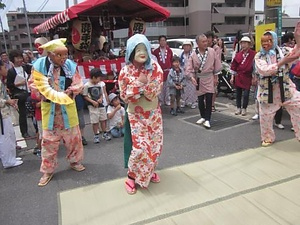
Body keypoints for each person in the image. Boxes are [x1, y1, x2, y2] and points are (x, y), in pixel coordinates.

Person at [30, 38, 85, 186]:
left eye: (65, 54)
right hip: (50, 111)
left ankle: (74, 161)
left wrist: (71, 91)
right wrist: (43, 93)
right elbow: (33, 85)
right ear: (51, 54)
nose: (64, 58)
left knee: (74, 139)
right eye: (60, 55)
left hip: (67, 108)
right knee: (48, 142)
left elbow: (79, 83)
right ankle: (48, 170)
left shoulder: (70, 66)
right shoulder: (39, 66)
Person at [118, 34, 163, 194]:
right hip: (136, 115)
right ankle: (131, 176)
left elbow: (157, 89)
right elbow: (124, 95)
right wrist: (141, 84)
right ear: (131, 51)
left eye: (145, 48)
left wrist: (140, 89)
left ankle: (148, 172)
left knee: (156, 145)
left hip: (153, 112)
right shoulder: (125, 71)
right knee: (140, 147)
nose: (142, 52)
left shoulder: (155, 67)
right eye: (138, 49)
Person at [254, 28, 300, 147]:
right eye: (263, 41)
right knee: (265, 117)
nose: (266, 43)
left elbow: (297, 52)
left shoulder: (284, 51)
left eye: (269, 40)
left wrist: (297, 37)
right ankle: (267, 137)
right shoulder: (259, 56)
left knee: (298, 108)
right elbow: (264, 70)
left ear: (274, 40)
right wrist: (282, 62)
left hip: (286, 88)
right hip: (267, 91)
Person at [186, 34, 222, 129]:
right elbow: (189, 68)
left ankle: (208, 119)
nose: (206, 43)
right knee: (201, 100)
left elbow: (217, 65)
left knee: (209, 99)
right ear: (198, 43)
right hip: (199, 79)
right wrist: (191, 77)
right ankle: (203, 116)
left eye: (206, 41)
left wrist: (216, 77)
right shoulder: (193, 55)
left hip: (209, 77)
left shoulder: (212, 51)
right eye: (203, 41)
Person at [0, 60, 23, 169]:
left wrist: (10, 101)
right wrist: (7, 101)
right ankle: (8, 161)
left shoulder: (1, 81)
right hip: (2, 114)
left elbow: (4, 95)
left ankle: (11, 157)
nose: (6, 69)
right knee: (4, 138)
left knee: (9, 135)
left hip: (5, 112)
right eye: (4, 67)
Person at [83, 68, 111, 143]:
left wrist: (101, 99)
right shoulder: (87, 85)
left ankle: (105, 133)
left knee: (103, 119)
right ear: (94, 77)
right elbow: (85, 96)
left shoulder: (99, 84)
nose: (100, 80)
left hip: (100, 104)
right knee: (94, 121)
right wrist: (92, 101)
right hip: (92, 106)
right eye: (99, 78)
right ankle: (96, 135)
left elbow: (101, 93)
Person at [6, 50, 30, 138]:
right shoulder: (11, 71)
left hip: (29, 91)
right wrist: (18, 84)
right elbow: (9, 85)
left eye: (20, 57)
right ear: (13, 59)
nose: (19, 60)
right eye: (17, 58)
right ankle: (24, 132)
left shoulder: (26, 67)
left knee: (32, 112)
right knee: (23, 113)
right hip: (19, 94)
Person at [230, 36, 256, 116]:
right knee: (238, 93)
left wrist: (254, 77)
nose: (243, 45)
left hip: (247, 76)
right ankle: (238, 107)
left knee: (246, 94)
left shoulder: (253, 54)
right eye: (242, 43)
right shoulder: (238, 55)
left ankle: (244, 108)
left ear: (249, 44)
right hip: (239, 76)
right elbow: (233, 66)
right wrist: (232, 77)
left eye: (245, 43)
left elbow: (255, 67)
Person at [153, 35, 173, 106]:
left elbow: (171, 60)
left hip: (168, 70)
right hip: (160, 71)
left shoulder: (169, 50)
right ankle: (160, 100)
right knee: (160, 86)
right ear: (159, 42)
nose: (162, 42)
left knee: (168, 86)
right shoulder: (155, 51)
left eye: (164, 40)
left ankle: (167, 99)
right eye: (161, 40)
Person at [205, 31, 222, 112]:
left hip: (213, 72)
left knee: (213, 89)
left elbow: (217, 61)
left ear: (212, 38)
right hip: (204, 72)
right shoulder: (203, 48)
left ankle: (212, 104)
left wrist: (216, 76)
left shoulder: (216, 48)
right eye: (206, 38)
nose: (207, 40)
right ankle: (206, 104)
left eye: (209, 37)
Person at [180, 40, 197, 109]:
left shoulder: (193, 54)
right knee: (184, 89)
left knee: (192, 89)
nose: (186, 47)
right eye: (185, 46)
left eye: (188, 46)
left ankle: (193, 102)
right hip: (183, 74)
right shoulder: (181, 55)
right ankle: (184, 101)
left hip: (191, 74)